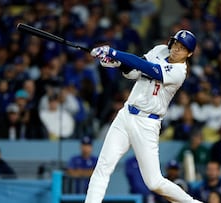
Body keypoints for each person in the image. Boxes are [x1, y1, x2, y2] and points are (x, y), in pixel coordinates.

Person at [86, 30, 202, 203]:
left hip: (147, 123)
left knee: (154, 182)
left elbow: (150, 69)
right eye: (176, 44)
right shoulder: (160, 50)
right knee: (103, 167)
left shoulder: (179, 72)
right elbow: (135, 71)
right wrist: (118, 63)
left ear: (190, 54)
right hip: (126, 114)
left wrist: (113, 53)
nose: (177, 49)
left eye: (182, 48)